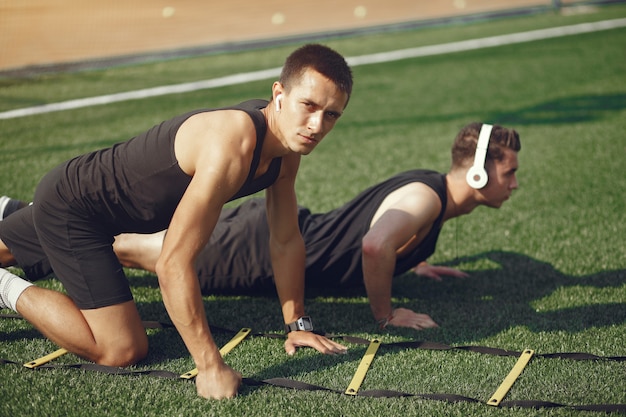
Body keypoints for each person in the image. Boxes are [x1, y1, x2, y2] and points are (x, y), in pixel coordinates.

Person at [0, 43, 353, 400]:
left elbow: (285, 239)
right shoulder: (235, 141)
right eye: (308, 105)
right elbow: (172, 263)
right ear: (279, 94)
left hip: (100, 207)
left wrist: (297, 324)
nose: (316, 125)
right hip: (76, 209)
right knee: (121, 349)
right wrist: (209, 365)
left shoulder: (285, 153)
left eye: (332, 115)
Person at [4, 122, 518, 331]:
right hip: (249, 251)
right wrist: (387, 313)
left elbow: (389, 234)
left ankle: (13, 212)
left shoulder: (427, 198)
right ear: (477, 172)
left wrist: (415, 259)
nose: (514, 183)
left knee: (113, 243)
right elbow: (373, 244)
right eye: (508, 172)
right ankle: (18, 229)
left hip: (258, 240)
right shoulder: (426, 197)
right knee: (117, 246)